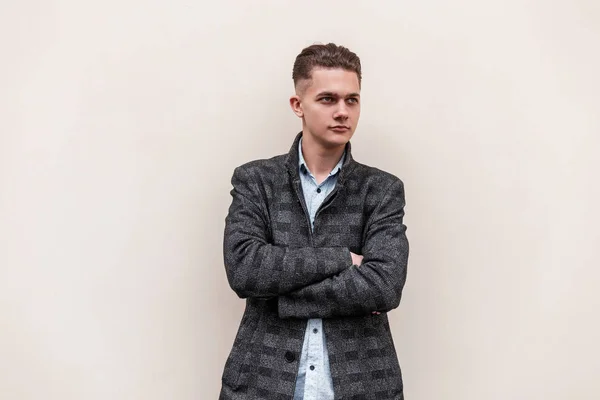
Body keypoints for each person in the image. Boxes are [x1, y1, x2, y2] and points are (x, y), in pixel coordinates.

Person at [219, 43, 409, 400]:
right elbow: (244, 268)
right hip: (262, 382)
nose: (342, 112)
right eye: (328, 99)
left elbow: (384, 286)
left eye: (352, 100)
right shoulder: (256, 181)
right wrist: (342, 259)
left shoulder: (382, 190)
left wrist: (281, 294)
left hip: (363, 383)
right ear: (298, 105)